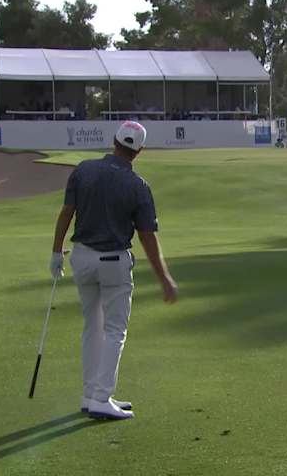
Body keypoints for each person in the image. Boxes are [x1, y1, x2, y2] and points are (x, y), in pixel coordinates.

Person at [50, 121, 179, 420]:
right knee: (114, 330)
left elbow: (66, 213)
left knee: (92, 326)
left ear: (114, 141)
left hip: (81, 258)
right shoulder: (138, 186)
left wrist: (56, 252)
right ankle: (101, 397)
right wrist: (164, 278)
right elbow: (147, 237)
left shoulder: (83, 170)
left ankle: (90, 393)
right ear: (140, 150)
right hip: (113, 264)